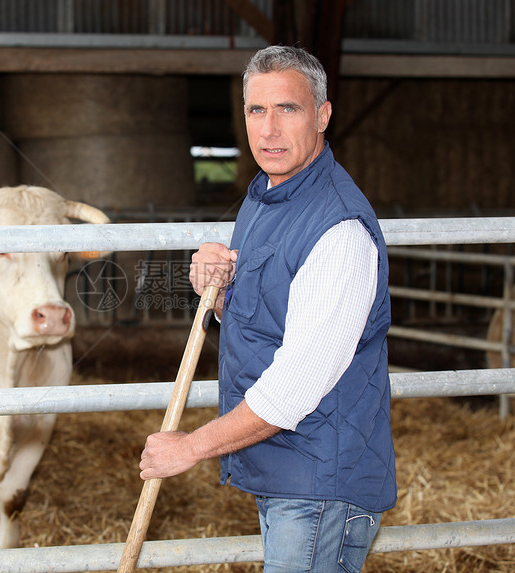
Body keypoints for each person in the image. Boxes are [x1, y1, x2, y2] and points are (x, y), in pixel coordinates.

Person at [138, 45, 397, 572]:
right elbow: (271, 316)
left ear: (323, 115)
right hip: (286, 467)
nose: (269, 130)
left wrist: (190, 448)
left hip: (320, 480)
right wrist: (220, 292)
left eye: (289, 109)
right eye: (257, 111)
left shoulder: (338, 229)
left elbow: (295, 387)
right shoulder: (265, 197)